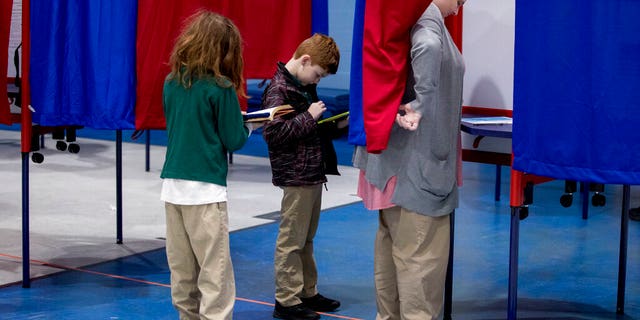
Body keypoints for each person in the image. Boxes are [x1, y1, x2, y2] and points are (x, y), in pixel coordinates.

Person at [352, 0, 466, 319]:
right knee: (419, 267)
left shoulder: (398, 19)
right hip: (417, 170)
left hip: (391, 166)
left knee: (391, 259)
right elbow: (428, 46)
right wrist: (423, 101)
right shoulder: (425, 24)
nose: (460, 7)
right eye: (459, 0)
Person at [160, 10, 252, 320]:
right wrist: (249, 126)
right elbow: (233, 138)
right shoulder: (221, 87)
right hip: (207, 192)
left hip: (173, 189)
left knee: (182, 273)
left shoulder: (172, 82)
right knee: (215, 276)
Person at [261, 33, 342, 320]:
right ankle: (286, 299)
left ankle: (307, 291)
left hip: (311, 172)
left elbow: (307, 129)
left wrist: (331, 123)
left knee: (306, 238)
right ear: (305, 60)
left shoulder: (302, 86)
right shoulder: (279, 90)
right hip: (296, 176)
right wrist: (310, 117)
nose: (316, 81)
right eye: (317, 75)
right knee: (291, 240)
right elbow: (273, 134)